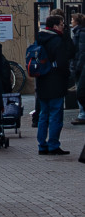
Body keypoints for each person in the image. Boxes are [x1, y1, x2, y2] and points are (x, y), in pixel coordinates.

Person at [35, 14, 75, 155]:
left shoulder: (39, 39)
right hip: (56, 82)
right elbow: (63, 62)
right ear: (55, 26)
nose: (63, 25)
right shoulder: (57, 41)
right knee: (55, 115)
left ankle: (42, 145)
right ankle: (53, 144)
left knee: (43, 114)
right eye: (61, 23)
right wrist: (67, 76)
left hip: (42, 81)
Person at [70, 12, 85, 126]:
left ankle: (82, 114)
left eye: (72, 20)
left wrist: (77, 67)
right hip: (78, 66)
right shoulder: (77, 32)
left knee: (80, 90)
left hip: (79, 67)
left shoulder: (80, 33)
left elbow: (81, 52)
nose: (71, 21)